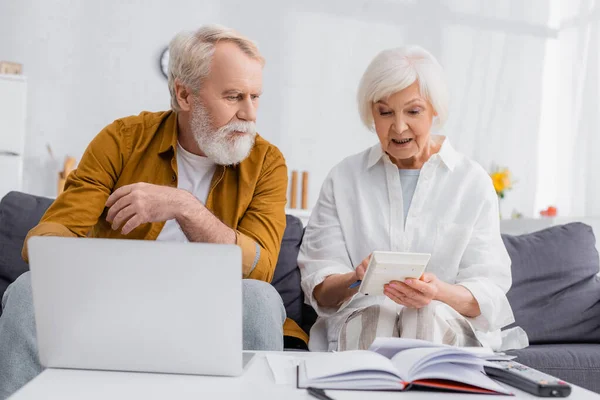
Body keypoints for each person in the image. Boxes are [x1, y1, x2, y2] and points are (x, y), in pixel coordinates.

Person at [0, 24, 298, 399]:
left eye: (255, 96)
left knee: (260, 299)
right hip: (112, 307)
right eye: (234, 96)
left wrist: (184, 207)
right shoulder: (122, 140)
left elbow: (261, 266)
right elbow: (52, 234)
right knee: (28, 291)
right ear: (184, 95)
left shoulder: (267, 162)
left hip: (206, 319)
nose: (250, 113)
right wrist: (66, 258)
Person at [298, 45, 528, 352]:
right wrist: (356, 279)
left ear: (435, 109)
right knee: (376, 316)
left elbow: (486, 293)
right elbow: (321, 288)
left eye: (413, 111)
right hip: (359, 325)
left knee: (424, 315)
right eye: (385, 112)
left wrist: (437, 293)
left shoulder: (471, 182)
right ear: (371, 114)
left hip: (443, 324)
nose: (399, 126)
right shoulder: (343, 178)